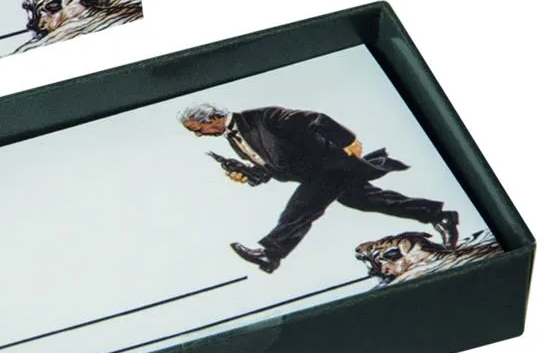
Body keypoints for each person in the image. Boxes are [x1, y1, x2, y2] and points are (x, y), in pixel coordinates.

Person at [179, 103, 460, 274]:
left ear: (212, 119)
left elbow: (315, 118)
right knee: (367, 200)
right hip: (317, 174)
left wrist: (347, 140)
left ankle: (271, 253)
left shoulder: (263, 118)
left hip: (330, 166)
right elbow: (271, 168)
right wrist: (247, 174)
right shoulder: (234, 139)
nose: (198, 135)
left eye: (197, 129)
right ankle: (439, 216)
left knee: (301, 208)